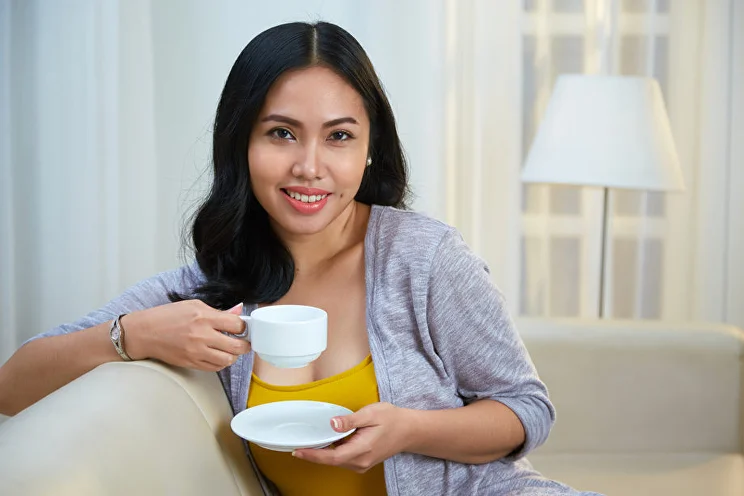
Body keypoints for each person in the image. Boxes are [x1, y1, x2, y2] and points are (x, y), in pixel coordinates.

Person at [0, 21, 602, 496]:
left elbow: (528, 410)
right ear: (241, 144)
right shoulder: (208, 291)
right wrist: (128, 335)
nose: (309, 166)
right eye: (281, 133)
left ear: (370, 151)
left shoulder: (425, 257)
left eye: (339, 136)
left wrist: (409, 430)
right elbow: (12, 387)